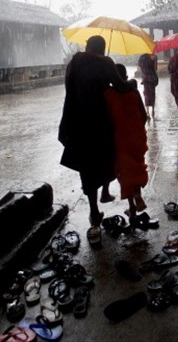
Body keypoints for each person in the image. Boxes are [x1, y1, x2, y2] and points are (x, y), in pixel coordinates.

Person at [58, 35, 133, 245]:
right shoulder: (106, 62)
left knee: (87, 166)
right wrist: (132, 83)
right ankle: (104, 193)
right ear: (103, 48)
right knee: (105, 160)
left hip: (78, 122)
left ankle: (93, 210)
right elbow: (120, 86)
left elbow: (69, 92)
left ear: (86, 46)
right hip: (100, 122)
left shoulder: (74, 63)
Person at [104, 64, 149, 218]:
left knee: (125, 173)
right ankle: (138, 194)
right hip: (137, 137)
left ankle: (132, 207)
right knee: (137, 167)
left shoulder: (109, 94)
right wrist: (136, 130)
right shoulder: (134, 91)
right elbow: (143, 116)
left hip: (120, 139)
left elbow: (107, 120)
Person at [137, 52, 158, 119]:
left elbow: (140, 68)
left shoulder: (141, 57)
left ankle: (147, 112)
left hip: (145, 78)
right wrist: (154, 60)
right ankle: (153, 111)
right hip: (152, 78)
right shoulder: (154, 56)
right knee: (152, 93)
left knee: (146, 94)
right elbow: (155, 69)